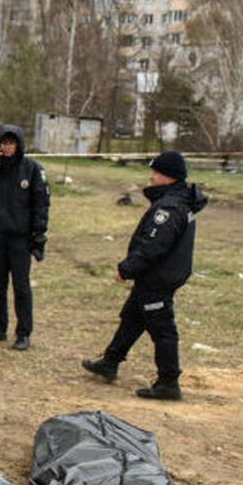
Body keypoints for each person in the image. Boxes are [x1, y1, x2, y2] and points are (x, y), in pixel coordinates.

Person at [82, 151, 205, 401]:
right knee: (132, 318)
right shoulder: (176, 201)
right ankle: (110, 362)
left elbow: (153, 246)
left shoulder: (169, 208)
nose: (152, 176)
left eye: (156, 172)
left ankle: (168, 382)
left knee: (162, 329)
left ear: (168, 176)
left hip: (158, 278)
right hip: (153, 277)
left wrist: (126, 269)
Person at [0, 125, 50, 350]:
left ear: (19, 144)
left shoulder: (32, 169)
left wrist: (39, 235)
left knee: (21, 286)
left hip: (20, 238)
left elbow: (41, 204)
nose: (7, 146)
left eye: (11, 143)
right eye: (3, 143)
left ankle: (23, 333)